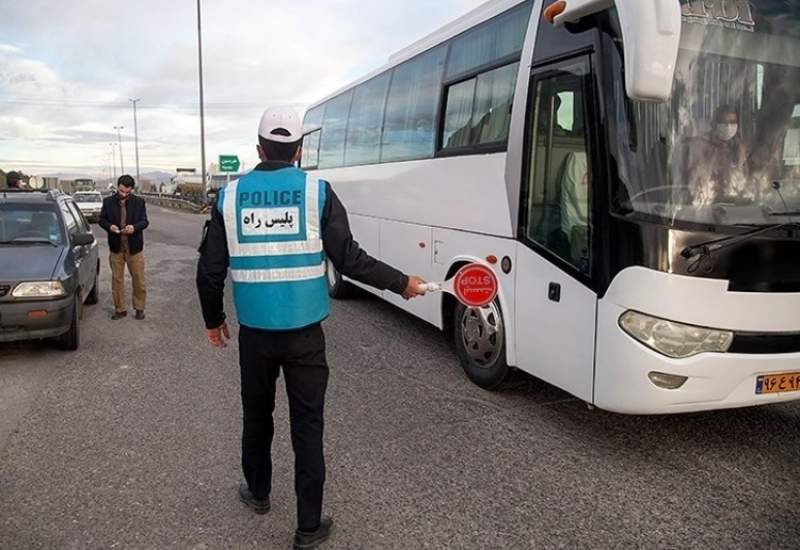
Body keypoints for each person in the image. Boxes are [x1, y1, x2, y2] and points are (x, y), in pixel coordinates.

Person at [196, 106, 427, 549]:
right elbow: (350, 259)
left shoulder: (229, 198)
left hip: (256, 338)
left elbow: (209, 271)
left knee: (256, 415)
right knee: (308, 424)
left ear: (259, 149)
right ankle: (308, 526)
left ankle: (259, 492)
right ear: (299, 150)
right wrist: (403, 284)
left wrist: (213, 320)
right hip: (305, 337)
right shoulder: (317, 192)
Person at [99, 175, 149, 320]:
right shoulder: (108, 202)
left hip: (134, 249)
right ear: (117, 187)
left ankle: (139, 308)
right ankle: (120, 309)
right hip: (116, 248)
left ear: (131, 190)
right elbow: (102, 220)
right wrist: (110, 227)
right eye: (121, 191)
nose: (123, 195)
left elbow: (145, 221)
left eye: (127, 192)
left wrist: (134, 228)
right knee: (117, 280)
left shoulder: (139, 202)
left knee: (138, 279)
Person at [686, 105, 749, 206]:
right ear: (714, 124)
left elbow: (744, 179)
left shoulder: (739, 148)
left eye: (733, 122)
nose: (729, 126)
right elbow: (695, 181)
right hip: (707, 205)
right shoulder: (701, 146)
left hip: (734, 207)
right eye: (724, 122)